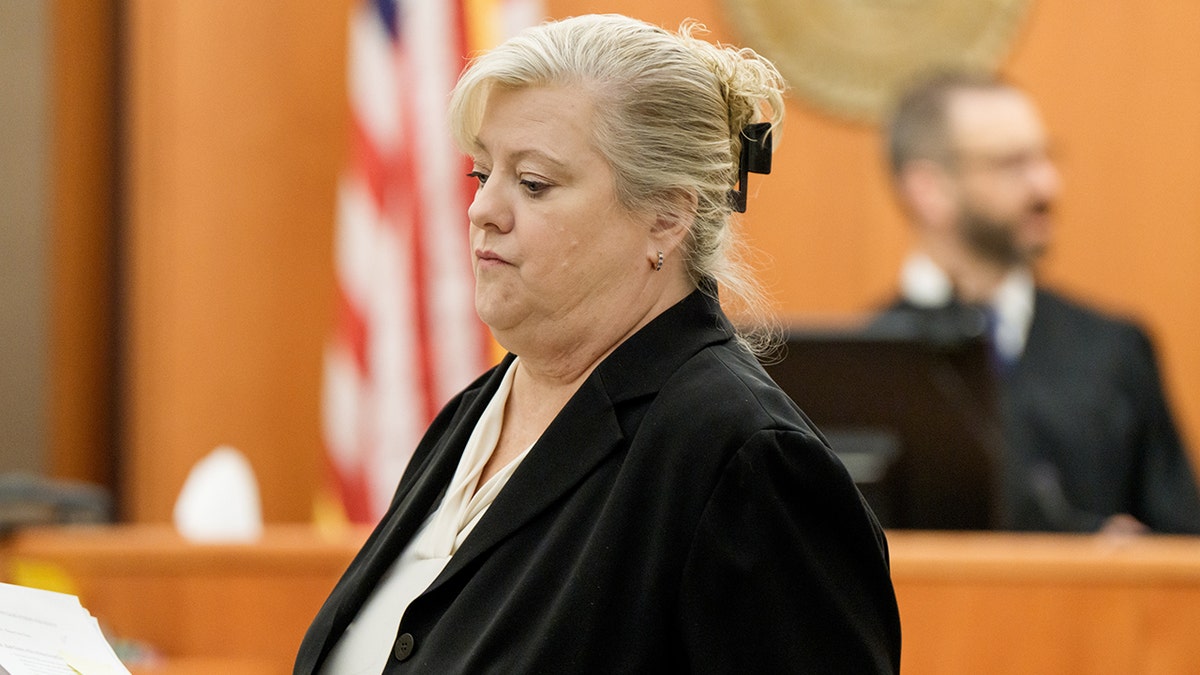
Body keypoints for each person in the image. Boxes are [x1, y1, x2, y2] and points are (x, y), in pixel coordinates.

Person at [294, 14, 901, 674]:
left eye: (532, 183)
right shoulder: (476, 409)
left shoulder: (744, 456)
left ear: (666, 216)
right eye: (480, 173)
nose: (482, 210)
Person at [878, 69, 1200, 534]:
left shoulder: (1116, 349)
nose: (1047, 186)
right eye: (1012, 164)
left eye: (1046, 159)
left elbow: (1182, 547)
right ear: (929, 190)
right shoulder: (866, 363)